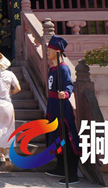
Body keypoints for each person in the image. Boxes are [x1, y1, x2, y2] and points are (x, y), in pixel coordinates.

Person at [44, 35, 81, 184]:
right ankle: (60, 167)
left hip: (62, 109)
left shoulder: (64, 68)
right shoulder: (52, 69)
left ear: (58, 51)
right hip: (52, 107)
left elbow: (69, 85)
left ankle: (72, 173)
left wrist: (65, 94)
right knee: (56, 139)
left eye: (50, 50)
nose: (47, 52)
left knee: (67, 139)